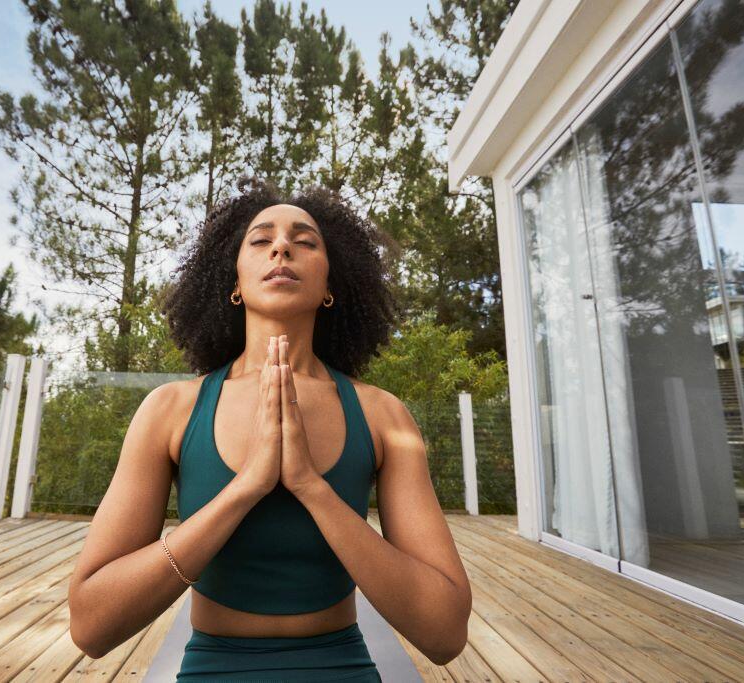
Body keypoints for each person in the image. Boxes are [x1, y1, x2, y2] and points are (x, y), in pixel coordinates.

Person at [67, 176, 472, 680]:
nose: (282, 246)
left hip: (342, 667)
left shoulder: (383, 417)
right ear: (234, 283)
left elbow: (445, 633)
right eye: (261, 240)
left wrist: (310, 487)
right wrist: (246, 488)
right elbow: (90, 626)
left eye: (305, 242)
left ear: (330, 287)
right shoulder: (169, 411)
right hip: (214, 669)